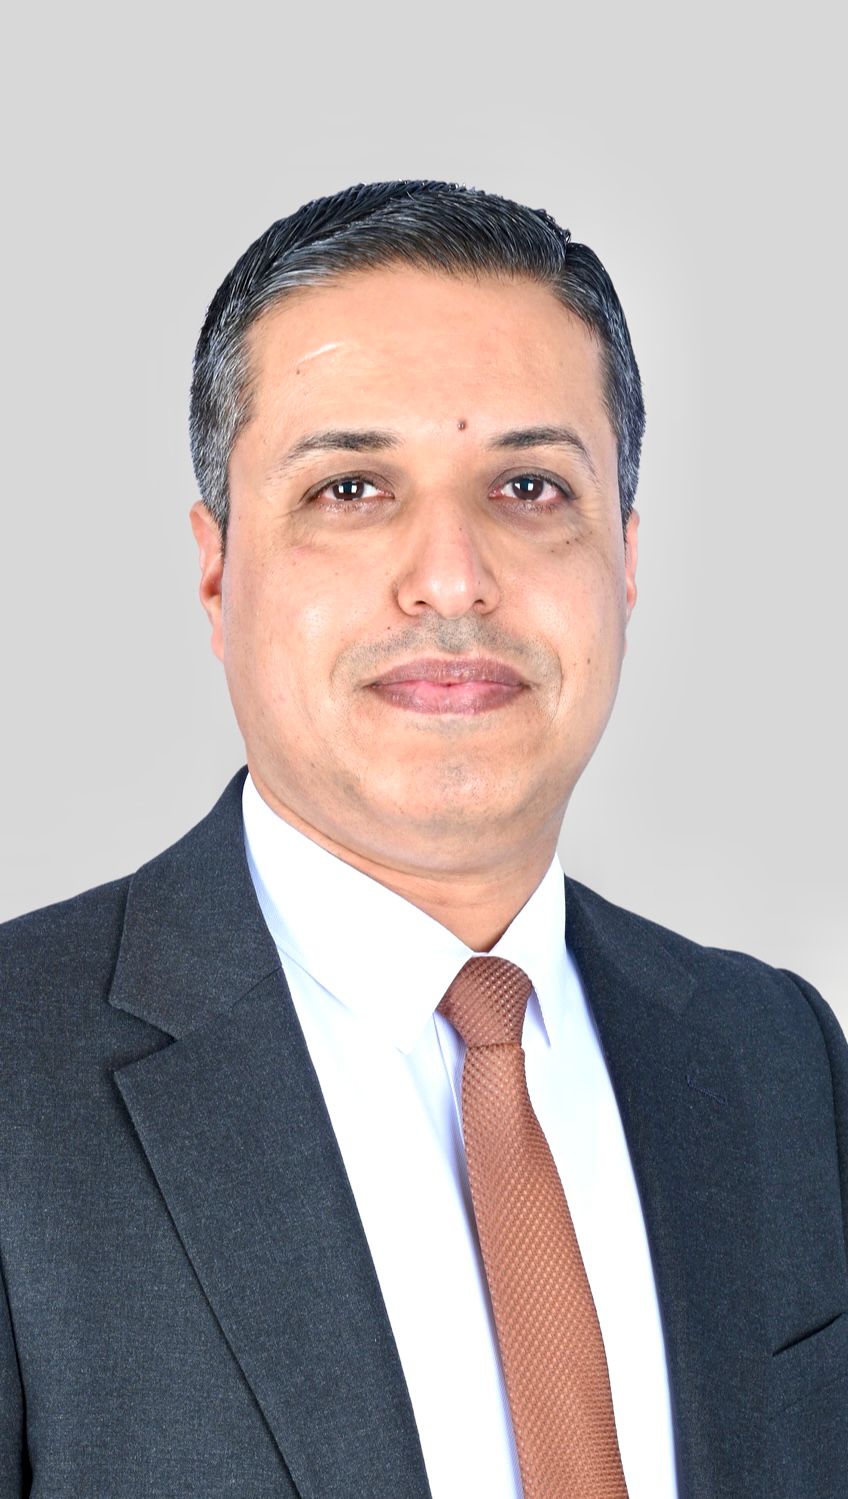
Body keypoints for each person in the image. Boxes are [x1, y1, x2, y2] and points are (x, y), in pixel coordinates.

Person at [0, 180, 845, 1499]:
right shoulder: (17, 1074)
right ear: (218, 571)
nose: (452, 578)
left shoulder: (777, 1057)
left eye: (528, 485)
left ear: (625, 561)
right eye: (351, 488)